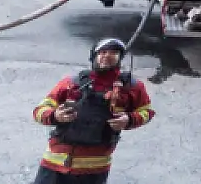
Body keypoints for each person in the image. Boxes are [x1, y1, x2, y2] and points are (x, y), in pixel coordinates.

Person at [32, 37, 155, 182]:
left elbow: (146, 111)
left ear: (120, 58)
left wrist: (129, 120)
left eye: (113, 53)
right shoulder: (71, 83)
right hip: (55, 165)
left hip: (95, 169)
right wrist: (55, 116)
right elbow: (39, 110)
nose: (107, 56)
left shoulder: (131, 87)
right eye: (102, 52)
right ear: (94, 56)